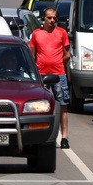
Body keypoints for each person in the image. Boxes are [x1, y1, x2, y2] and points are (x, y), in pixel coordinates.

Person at [29, 8, 71, 149]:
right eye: (49, 18)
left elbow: (67, 55)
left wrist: (59, 65)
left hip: (59, 74)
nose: (52, 20)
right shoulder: (36, 34)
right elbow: (32, 55)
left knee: (63, 105)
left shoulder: (62, 33)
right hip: (41, 75)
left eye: (54, 18)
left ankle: (64, 137)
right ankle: (38, 135)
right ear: (44, 19)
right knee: (38, 106)